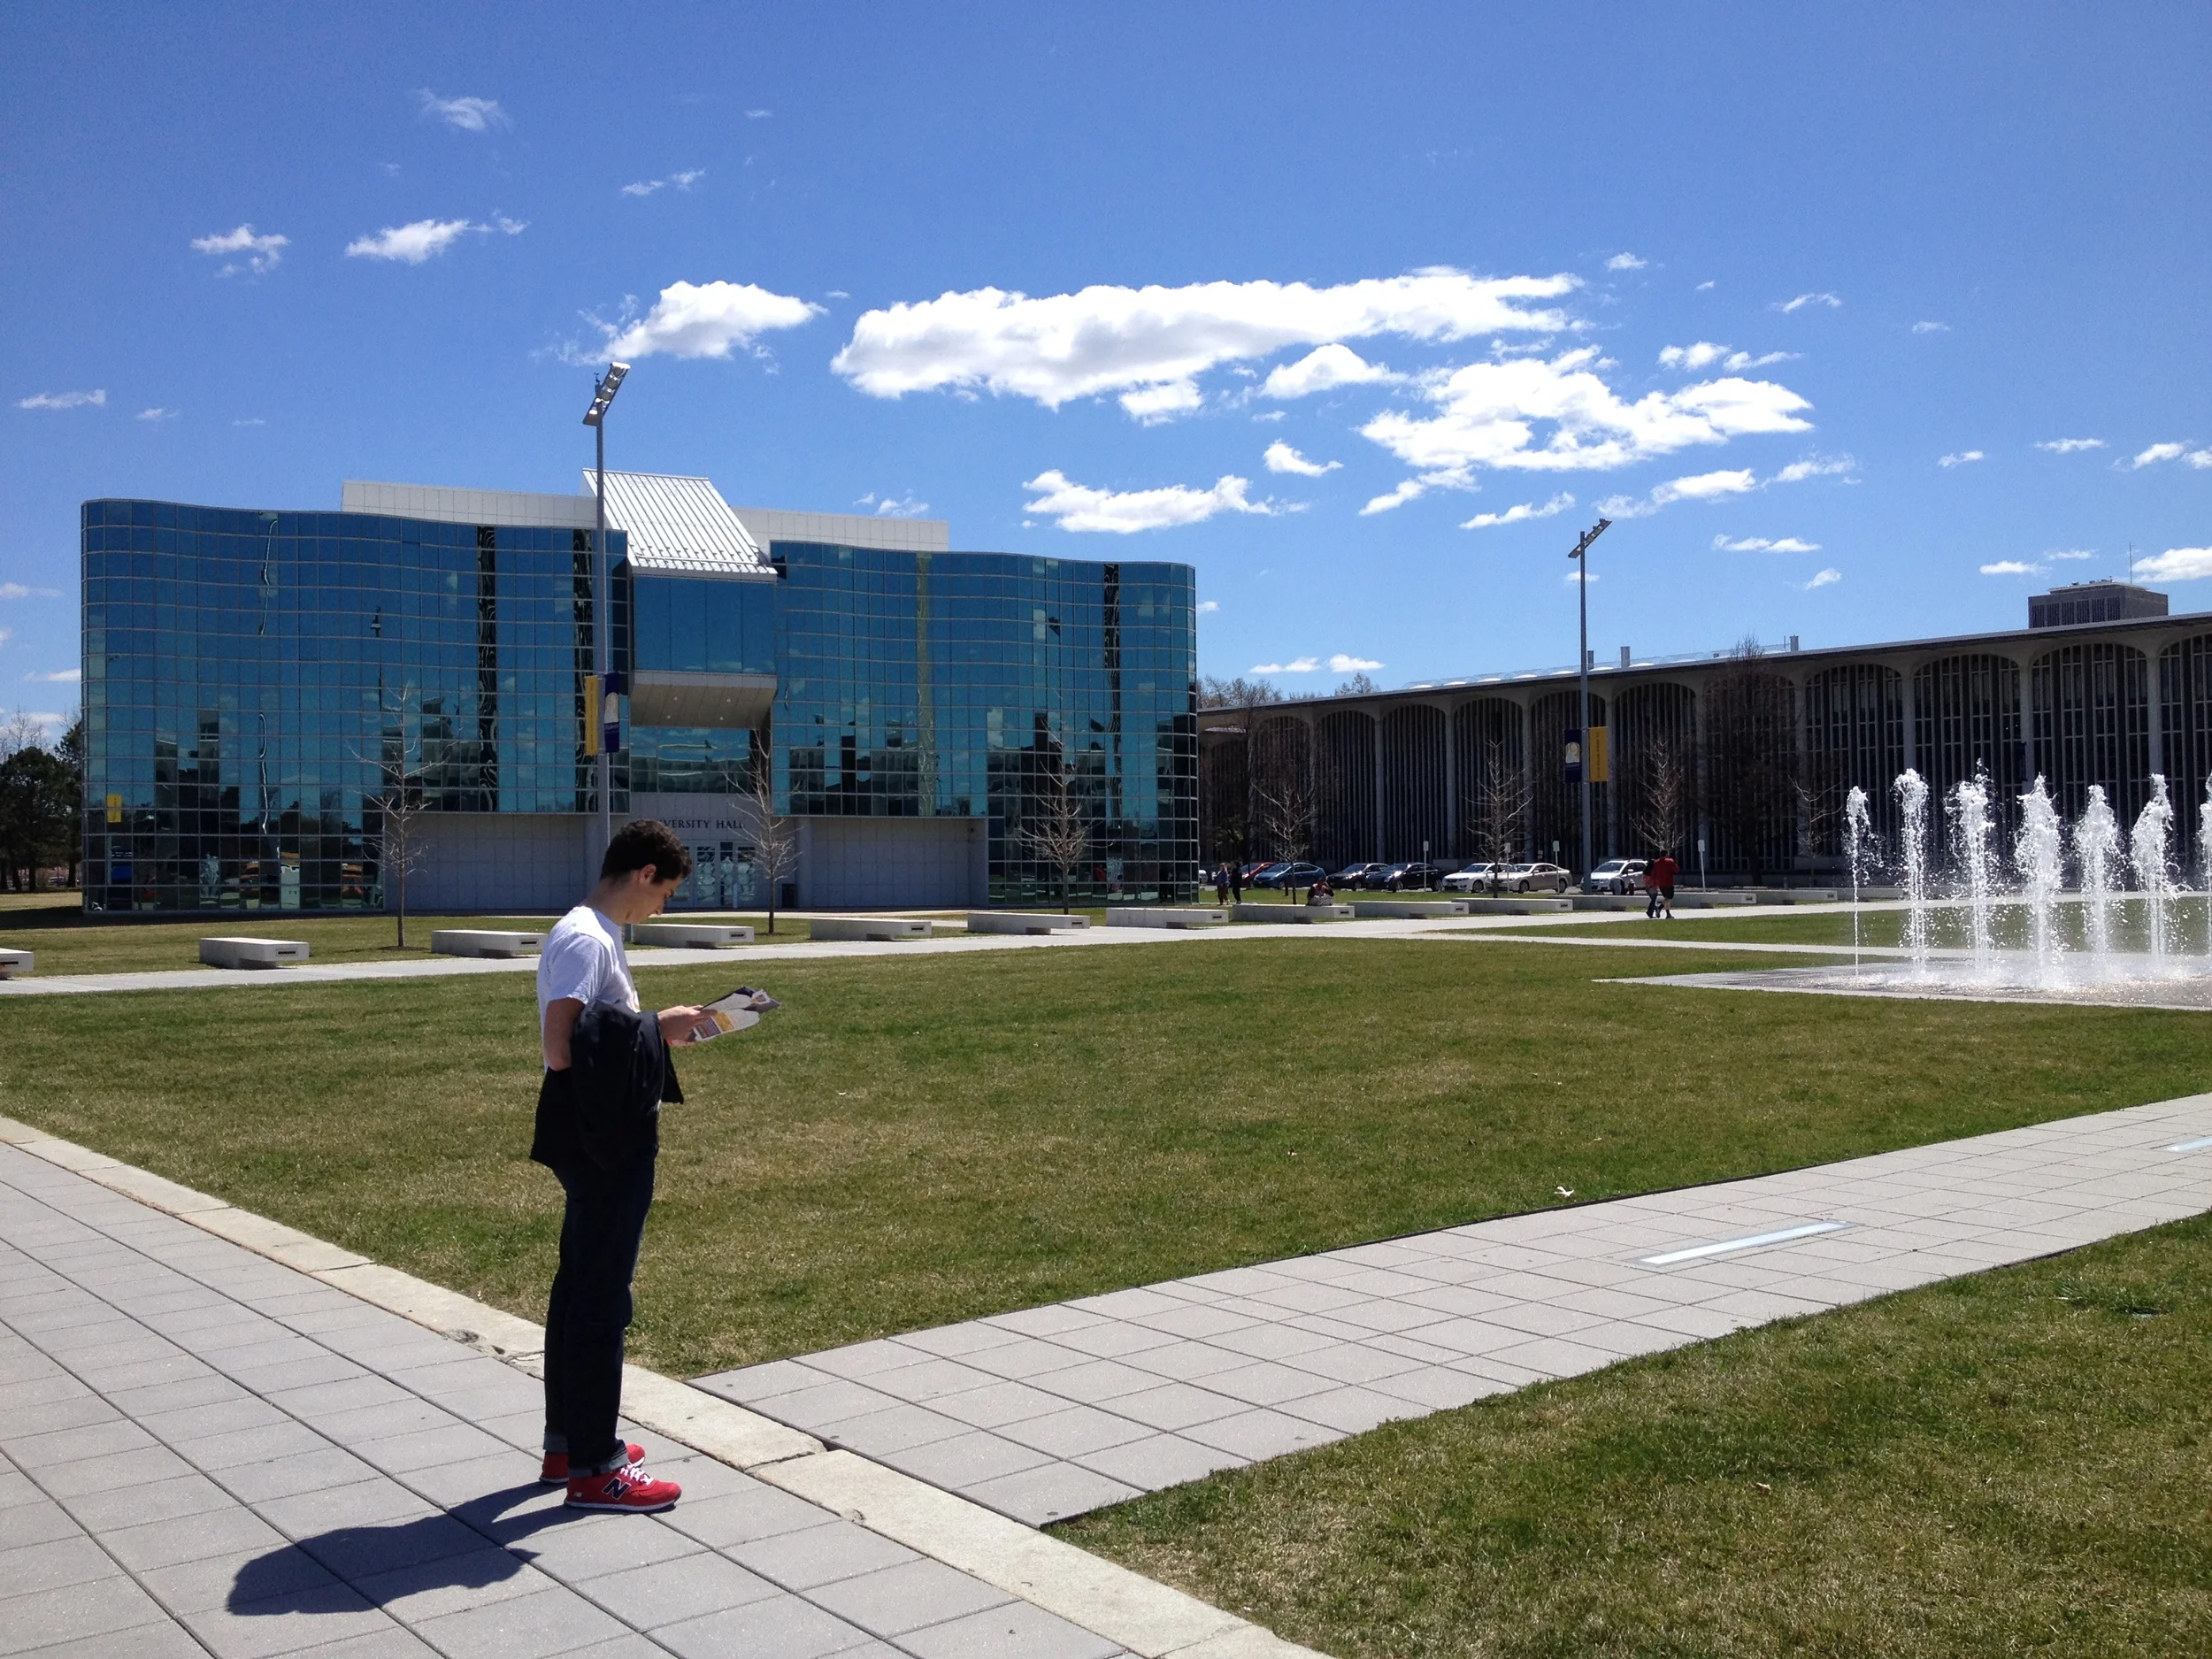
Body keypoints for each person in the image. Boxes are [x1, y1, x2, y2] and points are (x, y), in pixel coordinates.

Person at [533, 818, 705, 1514]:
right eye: (664, 893)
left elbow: (595, 1036)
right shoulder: (586, 937)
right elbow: (561, 1045)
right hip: (605, 1139)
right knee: (602, 1297)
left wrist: (656, 1031)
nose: (661, 907)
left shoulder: (594, 933)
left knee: (579, 1286)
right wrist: (658, 1026)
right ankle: (596, 1468)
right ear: (643, 873)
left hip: (595, 1131)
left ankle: (569, 1443)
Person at [1648, 849, 1679, 920]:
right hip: (1669, 882)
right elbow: (1677, 870)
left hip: (1661, 883)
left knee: (1666, 898)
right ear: (1666, 854)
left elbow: (1653, 873)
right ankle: (1659, 908)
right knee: (1669, 898)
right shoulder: (1670, 861)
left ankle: (1668, 914)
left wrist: (1653, 883)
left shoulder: (1656, 862)